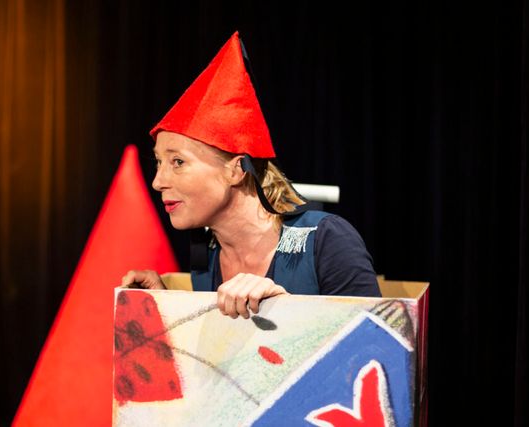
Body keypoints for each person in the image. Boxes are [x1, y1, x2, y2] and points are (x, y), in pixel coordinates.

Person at [122, 31, 381, 318]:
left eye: (178, 162)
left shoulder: (327, 240)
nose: (158, 182)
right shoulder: (205, 257)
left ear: (236, 170)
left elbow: (378, 342)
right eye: (159, 162)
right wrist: (166, 308)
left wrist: (287, 310)